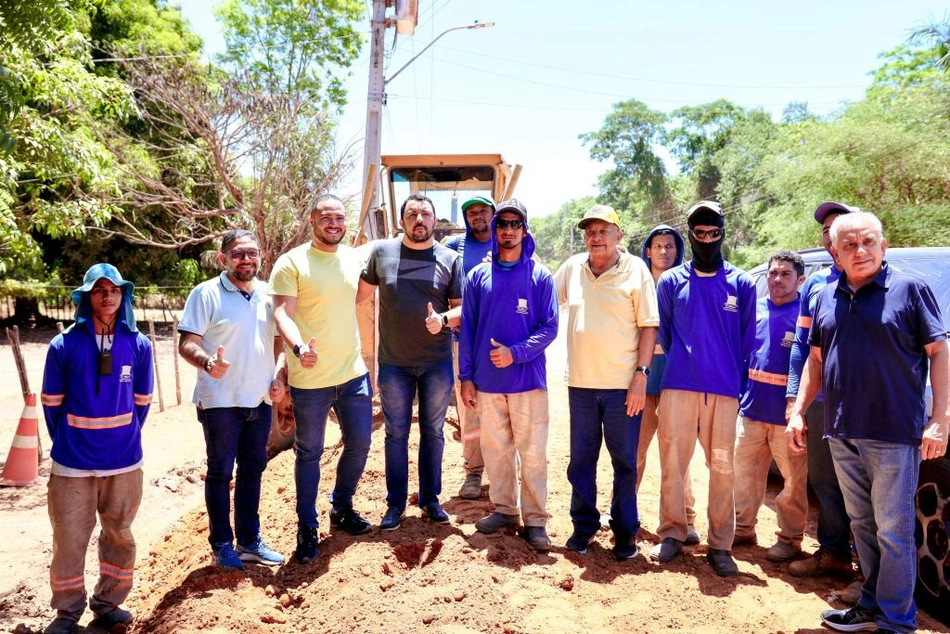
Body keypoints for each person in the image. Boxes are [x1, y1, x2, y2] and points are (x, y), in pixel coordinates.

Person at [788, 211, 948, 633]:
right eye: (849, 245)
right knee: (863, 525)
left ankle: (898, 622)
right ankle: (873, 604)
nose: (860, 250)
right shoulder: (825, 296)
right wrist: (797, 411)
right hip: (842, 430)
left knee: (894, 531)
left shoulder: (910, 290)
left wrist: (940, 418)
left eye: (868, 242)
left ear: (883, 245)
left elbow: (939, 352)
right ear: (835, 252)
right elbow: (816, 361)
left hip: (894, 432)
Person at [40, 264, 154, 634]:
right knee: (69, 539)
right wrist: (72, 441)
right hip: (72, 464)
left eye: (114, 290)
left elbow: (142, 402)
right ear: (86, 297)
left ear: (124, 297)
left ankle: (108, 604)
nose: (107, 296)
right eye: (99, 290)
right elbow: (51, 405)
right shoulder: (64, 345)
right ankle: (67, 613)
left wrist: (122, 438)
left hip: (124, 463)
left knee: (120, 534)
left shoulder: (138, 344)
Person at [651, 200, 756, 577]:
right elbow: (664, 332)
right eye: (700, 233)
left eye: (714, 233)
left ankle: (721, 543)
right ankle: (673, 532)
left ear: (722, 233)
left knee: (723, 469)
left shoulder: (742, 283)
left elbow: (748, 340)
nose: (707, 239)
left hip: (725, 390)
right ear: (691, 235)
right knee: (673, 464)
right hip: (678, 385)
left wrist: (733, 379)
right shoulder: (671, 281)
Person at [270, 194, 375, 563]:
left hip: (352, 373)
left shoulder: (352, 257)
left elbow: (363, 294)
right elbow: (282, 313)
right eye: (326, 218)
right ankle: (307, 526)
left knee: (360, 442)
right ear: (312, 221)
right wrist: (298, 348)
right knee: (310, 453)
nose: (334, 224)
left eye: (339, 218)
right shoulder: (292, 262)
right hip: (309, 378)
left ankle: (341, 507)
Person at [554, 204, 659, 560]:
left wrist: (640, 378)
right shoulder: (571, 268)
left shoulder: (636, 271)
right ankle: (584, 527)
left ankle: (625, 532)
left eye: (603, 230)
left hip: (622, 388)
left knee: (624, 463)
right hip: (581, 386)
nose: (595, 237)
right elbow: (547, 303)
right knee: (581, 461)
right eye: (590, 232)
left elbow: (649, 326)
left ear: (619, 235)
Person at [178, 230, 287, 570]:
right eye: (239, 254)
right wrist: (208, 362)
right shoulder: (205, 294)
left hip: (260, 399)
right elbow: (187, 343)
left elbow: (279, 342)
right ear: (223, 259)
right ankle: (222, 545)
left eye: (252, 253)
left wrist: (279, 376)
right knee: (221, 473)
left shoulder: (269, 294)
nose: (247, 260)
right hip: (220, 401)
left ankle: (250, 541)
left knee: (253, 469)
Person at [357, 193, 465, 530]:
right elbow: (358, 296)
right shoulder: (382, 253)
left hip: (436, 363)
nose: (419, 220)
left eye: (425, 214)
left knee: (433, 432)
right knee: (396, 434)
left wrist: (443, 319)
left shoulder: (449, 258)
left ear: (435, 221)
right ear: (401, 221)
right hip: (393, 364)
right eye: (412, 214)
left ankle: (431, 500)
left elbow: (461, 309)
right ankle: (395, 504)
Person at [458, 199, 558, 551]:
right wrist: (466, 376)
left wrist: (515, 353)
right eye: (503, 224)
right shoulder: (477, 277)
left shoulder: (539, 276)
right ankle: (505, 509)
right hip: (487, 383)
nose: (508, 230)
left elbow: (550, 327)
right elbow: (468, 329)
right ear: (496, 229)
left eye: (516, 224)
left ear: (525, 230)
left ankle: (535, 520)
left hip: (528, 382)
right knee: (496, 450)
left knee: (532, 453)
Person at [784, 201, 859, 579]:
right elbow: (801, 345)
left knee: (863, 488)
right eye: (827, 228)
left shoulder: (875, 279)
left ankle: (871, 572)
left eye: (839, 225)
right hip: (819, 401)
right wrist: (795, 400)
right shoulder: (815, 284)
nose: (831, 233)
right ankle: (833, 554)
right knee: (825, 482)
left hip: (862, 405)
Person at [732, 250, 808, 562]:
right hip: (751, 410)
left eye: (785, 274)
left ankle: (790, 540)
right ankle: (742, 528)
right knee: (743, 473)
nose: (777, 279)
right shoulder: (755, 310)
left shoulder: (806, 314)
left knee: (792, 480)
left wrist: (799, 408)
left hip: (787, 416)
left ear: (800, 279)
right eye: (773, 273)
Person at [635, 224, 700, 546]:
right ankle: (624, 509)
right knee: (634, 449)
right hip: (641, 378)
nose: (663, 251)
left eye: (670, 246)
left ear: (678, 251)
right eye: (658, 246)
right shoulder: (636, 280)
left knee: (677, 453)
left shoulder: (690, 283)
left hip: (677, 379)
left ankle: (685, 518)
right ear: (648, 250)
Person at [443, 195, 496, 499]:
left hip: (502, 340)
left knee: (505, 406)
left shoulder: (509, 244)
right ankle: (473, 472)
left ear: (494, 213)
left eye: (483, 211)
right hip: (465, 341)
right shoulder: (454, 249)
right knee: (470, 407)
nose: (478, 216)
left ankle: (505, 472)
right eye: (472, 212)